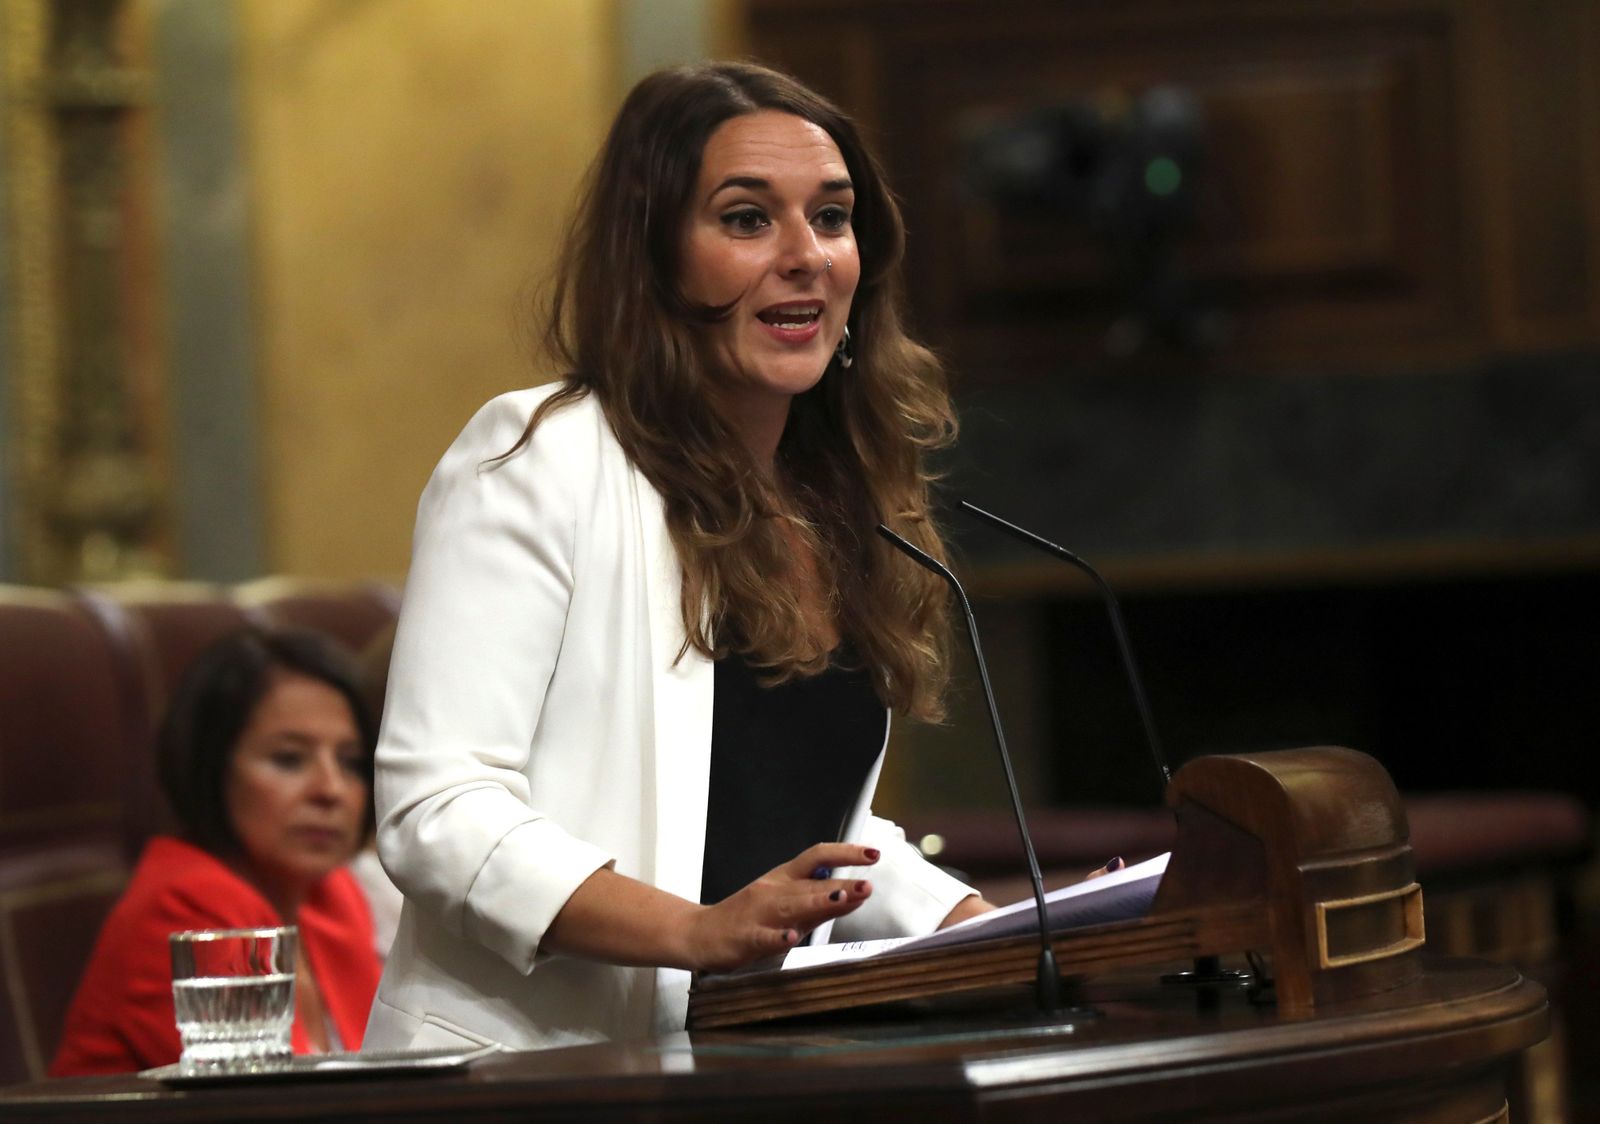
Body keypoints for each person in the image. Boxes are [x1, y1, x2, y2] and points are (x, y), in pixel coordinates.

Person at [365, 61, 997, 1055]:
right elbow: (438, 810)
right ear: (655, 259)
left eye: (831, 219)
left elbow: (794, 832)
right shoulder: (535, 459)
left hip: (744, 1062)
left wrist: (990, 930)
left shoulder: (838, 495)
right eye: (747, 219)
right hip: (523, 1075)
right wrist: (693, 932)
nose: (805, 255)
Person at [51, 629, 382, 1075]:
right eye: (289, 759)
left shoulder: (332, 896)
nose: (331, 790)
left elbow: (383, 1074)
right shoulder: (181, 910)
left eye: (351, 763)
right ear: (211, 768)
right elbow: (276, 1108)